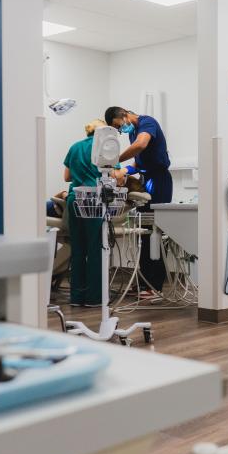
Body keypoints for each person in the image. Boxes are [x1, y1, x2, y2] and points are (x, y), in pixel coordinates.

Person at [105, 106, 172, 293]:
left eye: (119, 126)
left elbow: (141, 145)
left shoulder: (147, 122)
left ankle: (154, 286)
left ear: (124, 115)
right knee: (143, 232)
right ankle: (144, 282)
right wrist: (123, 171)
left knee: (154, 231)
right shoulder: (133, 132)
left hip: (159, 180)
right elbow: (138, 161)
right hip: (147, 177)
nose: (120, 130)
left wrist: (115, 160)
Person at [62, 120, 108, 307]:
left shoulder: (74, 147)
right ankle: (94, 298)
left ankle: (77, 297)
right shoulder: (104, 148)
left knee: (78, 249)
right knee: (95, 249)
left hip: (75, 199)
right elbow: (115, 175)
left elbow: (66, 177)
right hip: (94, 200)